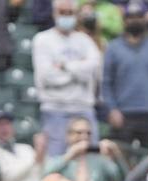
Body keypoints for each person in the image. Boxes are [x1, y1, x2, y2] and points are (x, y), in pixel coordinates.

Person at [102, 1, 148, 147]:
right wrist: (112, 109)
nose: (134, 20)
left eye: (139, 16)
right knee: (121, 163)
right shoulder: (113, 48)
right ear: (124, 20)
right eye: (130, 16)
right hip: (123, 114)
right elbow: (106, 83)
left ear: (145, 19)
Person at [33, 0, 103, 156]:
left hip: (83, 108)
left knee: (92, 159)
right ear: (54, 13)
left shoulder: (85, 40)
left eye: (70, 12)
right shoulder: (42, 40)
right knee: (57, 162)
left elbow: (94, 67)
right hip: (55, 109)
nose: (66, 16)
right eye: (62, 12)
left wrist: (65, 66)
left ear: (76, 15)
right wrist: (80, 70)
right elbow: (48, 77)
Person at [43, 116, 127, 181]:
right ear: (68, 136)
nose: (84, 137)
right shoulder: (61, 160)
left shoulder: (99, 160)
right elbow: (45, 175)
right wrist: (70, 155)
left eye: (88, 133)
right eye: (79, 132)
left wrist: (116, 154)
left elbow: (120, 179)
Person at [0, 111, 47, 181]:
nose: (4, 128)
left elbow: (40, 171)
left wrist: (42, 153)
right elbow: (6, 178)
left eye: (7, 124)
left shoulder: (26, 148)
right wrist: (35, 159)